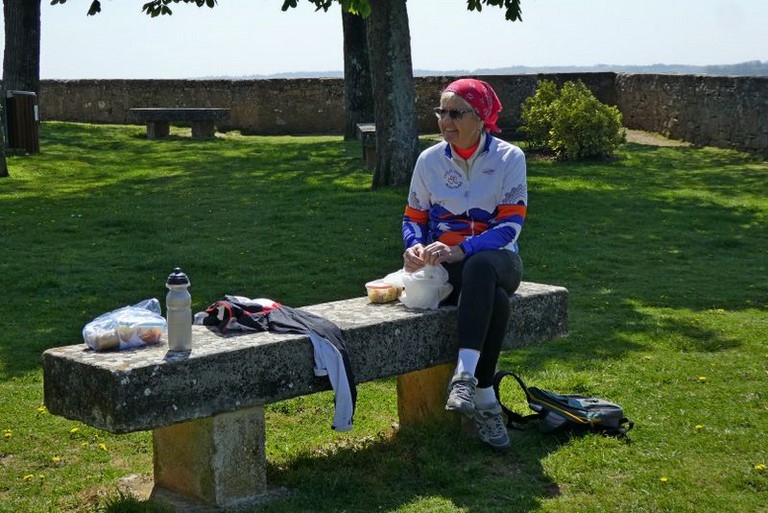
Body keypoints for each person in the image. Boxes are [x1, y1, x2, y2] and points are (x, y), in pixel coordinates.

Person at [401, 78, 527, 452]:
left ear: (481, 117)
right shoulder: (429, 160)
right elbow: (413, 217)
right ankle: (484, 396)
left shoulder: (509, 158)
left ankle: (463, 375)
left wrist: (463, 249)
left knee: (480, 267)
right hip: (450, 268)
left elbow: (510, 226)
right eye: (442, 112)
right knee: (495, 301)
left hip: (501, 261)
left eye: (456, 113)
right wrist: (414, 246)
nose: (446, 121)